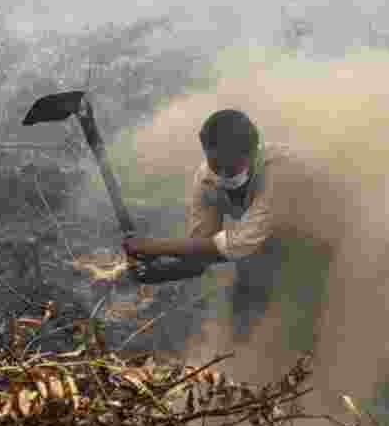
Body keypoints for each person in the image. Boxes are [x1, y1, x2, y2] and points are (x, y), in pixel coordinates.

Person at [121, 110, 332, 348]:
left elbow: (237, 245)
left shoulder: (280, 169)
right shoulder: (206, 180)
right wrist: (156, 273)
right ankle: (240, 363)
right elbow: (200, 257)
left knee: (311, 312)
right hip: (265, 243)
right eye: (215, 164)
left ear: (252, 153)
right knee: (245, 305)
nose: (221, 174)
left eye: (230, 166)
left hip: (321, 239)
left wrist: (152, 247)